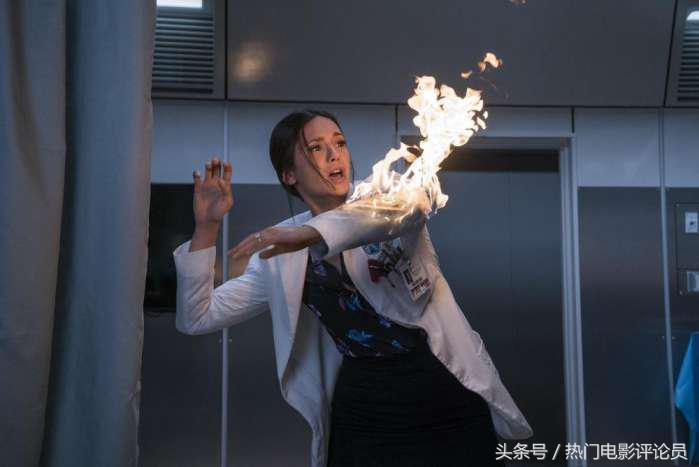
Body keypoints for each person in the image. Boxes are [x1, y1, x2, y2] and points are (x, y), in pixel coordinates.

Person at [172, 109, 533, 467]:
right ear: (289, 174)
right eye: (316, 148)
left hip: (441, 388)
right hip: (364, 404)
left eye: (340, 143)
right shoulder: (280, 253)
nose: (334, 155)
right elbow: (198, 316)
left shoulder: (387, 197)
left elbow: (404, 211)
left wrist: (310, 234)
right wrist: (207, 226)